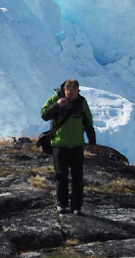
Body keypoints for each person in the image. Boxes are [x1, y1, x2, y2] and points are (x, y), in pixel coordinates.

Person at [40, 79, 97, 215]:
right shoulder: (55, 99)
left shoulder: (81, 103)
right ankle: (61, 204)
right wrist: (57, 106)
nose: (71, 97)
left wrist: (92, 143)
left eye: (74, 94)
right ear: (64, 90)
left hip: (77, 145)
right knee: (61, 175)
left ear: (78, 91)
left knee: (78, 176)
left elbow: (88, 124)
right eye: (69, 94)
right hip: (59, 144)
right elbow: (44, 115)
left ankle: (76, 206)